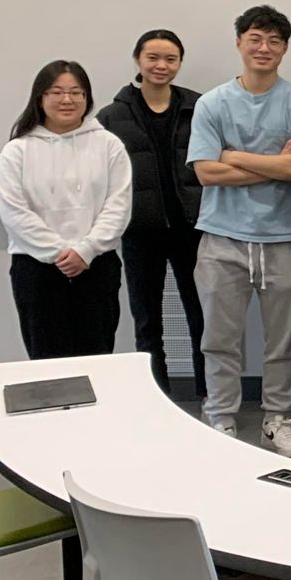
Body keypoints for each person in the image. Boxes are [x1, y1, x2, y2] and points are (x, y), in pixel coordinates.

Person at [188, 5, 291, 456]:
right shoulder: (212, 103)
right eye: (255, 39)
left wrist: (233, 155)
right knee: (219, 339)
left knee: (282, 341)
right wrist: (274, 163)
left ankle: (276, 419)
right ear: (239, 42)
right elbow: (206, 172)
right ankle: (220, 417)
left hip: (284, 237)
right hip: (222, 237)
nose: (264, 48)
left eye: (274, 41)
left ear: (285, 48)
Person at [0, 61, 131, 359]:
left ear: (87, 98)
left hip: (95, 264)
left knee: (96, 357)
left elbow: (118, 206)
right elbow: (15, 213)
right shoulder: (17, 151)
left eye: (76, 92)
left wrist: (86, 251)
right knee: (47, 361)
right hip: (36, 267)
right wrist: (58, 252)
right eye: (56, 92)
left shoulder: (109, 145)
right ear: (40, 98)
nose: (67, 99)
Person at [97, 30, 206, 398]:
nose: (162, 66)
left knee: (201, 318)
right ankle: (156, 399)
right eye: (153, 57)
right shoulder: (112, 116)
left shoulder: (198, 107)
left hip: (192, 230)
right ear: (138, 60)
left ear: (180, 63)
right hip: (140, 232)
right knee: (147, 323)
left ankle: (209, 398)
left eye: (170, 59)